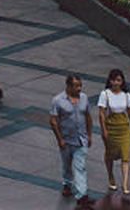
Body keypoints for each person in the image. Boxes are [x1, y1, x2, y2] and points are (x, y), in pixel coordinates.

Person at [50, 72, 98, 208]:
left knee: (80, 166)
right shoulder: (58, 100)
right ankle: (67, 183)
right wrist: (59, 139)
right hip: (66, 140)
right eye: (76, 86)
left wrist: (89, 135)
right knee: (67, 164)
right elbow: (53, 121)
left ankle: (82, 195)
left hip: (80, 140)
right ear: (68, 86)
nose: (79, 89)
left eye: (80, 85)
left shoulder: (84, 98)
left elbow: (88, 116)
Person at [99, 68, 130, 199]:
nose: (116, 83)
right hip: (111, 129)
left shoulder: (126, 95)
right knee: (110, 154)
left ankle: (125, 184)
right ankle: (111, 176)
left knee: (125, 156)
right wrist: (104, 129)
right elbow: (101, 113)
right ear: (110, 81)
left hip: (124, 129)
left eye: (119, 80)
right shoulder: (105, 94)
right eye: (114, 80)